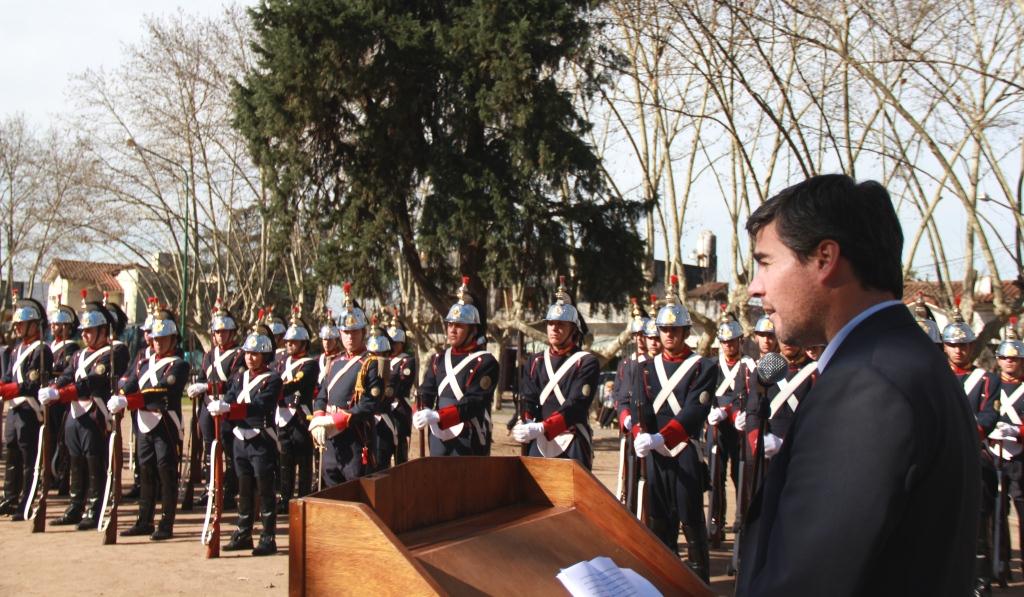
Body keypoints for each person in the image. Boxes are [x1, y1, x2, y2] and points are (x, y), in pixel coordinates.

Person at [737, 174, 979, 596]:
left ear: (825, 258)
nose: (756, 287)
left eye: (765, 262)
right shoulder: (903, 359)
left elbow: (808, 582)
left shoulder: (868, 385)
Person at [632, 274, 717, 581]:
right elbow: (639, 408)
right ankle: (661, 580)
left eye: (674, 329)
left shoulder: (704, 367)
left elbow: (696, 411)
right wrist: (639, 435)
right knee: (658, 523)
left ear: (685, 331)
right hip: (655, 454)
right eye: (664, 329)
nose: (668, 334)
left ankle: (699, 582)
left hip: (684, 451)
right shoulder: (644, 369)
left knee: (691, 521)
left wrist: (660, 437)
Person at [40, 298, 129, 529]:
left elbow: (94, 381)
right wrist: (54, 387)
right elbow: (68, 375)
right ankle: (75, 506)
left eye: (90, 331)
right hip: (75, 413)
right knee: (76, 460)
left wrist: (62, 393)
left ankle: (94, 508)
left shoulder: (114, 351)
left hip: (96, 413)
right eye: (84, 331)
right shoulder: (79, 355)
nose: (86, 335)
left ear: (102, 330)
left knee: (94, 462)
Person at [107, 306, 190, 540]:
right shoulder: (143, 362)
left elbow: (161, 390)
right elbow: (131, 382)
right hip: (143, 423)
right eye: (155, 339)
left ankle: (166, 523)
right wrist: (119, 394)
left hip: (165, 423)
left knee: (166, 471)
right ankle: (144, 520)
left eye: (163, 339)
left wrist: (129, 400)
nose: (158, 343)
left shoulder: (179, 365)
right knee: (145, 471)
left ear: (173, 339)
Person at [208, 325, 283, 555]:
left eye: (255, 354)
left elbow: (261, 406)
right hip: (241, 440)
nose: (250, 358)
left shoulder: (272, 380)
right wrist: (220, 406)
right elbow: (230, 397)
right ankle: (243, 532)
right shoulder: (239, 378)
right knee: (244, 487)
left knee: (265, 489)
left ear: (265, 356)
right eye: (248, 353)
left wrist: (229, 408)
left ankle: (268, 536)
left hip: (261, 440)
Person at [513, 277, 600, 469]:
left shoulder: (586, 362)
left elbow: (576, 405)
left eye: (561, 324)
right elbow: (529, 399)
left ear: (573, 330)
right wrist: (525, 421)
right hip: (539, 439)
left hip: (572, 438)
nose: (554, 328)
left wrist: (544, 427)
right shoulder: (536, 361)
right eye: (551, 323)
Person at [307, 283, 384, 484]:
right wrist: (318, 419)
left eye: (355, 332)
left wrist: (334, 421)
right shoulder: (334, 362)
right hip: (331, 442)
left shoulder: (370, 362)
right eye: (346, 332)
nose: (350, 337)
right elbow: (322, 395)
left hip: (356, 439)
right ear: (340, 333)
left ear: (363, 332)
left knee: (357, 494)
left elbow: (369, 405)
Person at [414, 276, 499, 456]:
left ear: (473, 329)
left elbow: (475, 402)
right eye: (450, 324)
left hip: (468, 435)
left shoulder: (486, 362)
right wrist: (422, 408)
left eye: (459, 325)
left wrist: (439, 416)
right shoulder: (439, 358)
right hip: (438, 435)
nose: (452, 330)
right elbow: (426, 389)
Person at [187, 299, 245, 509]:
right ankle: (210, 487)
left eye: (224, 331)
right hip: (207, 408)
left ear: (232, 333)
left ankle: (228, 490)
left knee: (228, 451)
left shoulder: (239, 355)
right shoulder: (209, 355)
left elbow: (234, 383)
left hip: (226, 407)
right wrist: (198, 387)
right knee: (209, 449)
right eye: (217, 332)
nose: (220, 335)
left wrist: (209, 387)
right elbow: (203, 376)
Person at [0, 292, 54, 520]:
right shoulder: (16, 350)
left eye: (23, 324)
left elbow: (31, 383)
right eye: (18, 324)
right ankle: (10, 498)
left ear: (35, 325)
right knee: (12, 453)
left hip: (29, 410)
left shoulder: (42, 350)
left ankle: (27, 501)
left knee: (28, 459)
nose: (19, 328)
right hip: (14, 409)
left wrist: (5, 389)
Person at [705, 308, 755, 544]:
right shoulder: (713, 366)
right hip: (716, 428)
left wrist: (730, 411)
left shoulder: (748, 365)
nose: (728, 346)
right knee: (715, 475)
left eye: (731, 342)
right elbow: (704, 395)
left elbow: (748, 394)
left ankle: (741, 518)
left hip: (738, 428)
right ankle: (716, 521)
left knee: (740, 474)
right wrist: (710, 412)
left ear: (739, 341)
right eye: (724, 342)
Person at [988, 319, 1024, 585]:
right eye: (1004, 358)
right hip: (993, 456)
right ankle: (1000, 568)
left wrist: (1018, 432)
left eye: (1015, 358)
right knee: (996, 516)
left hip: (1020, 457)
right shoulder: (989, 384)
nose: (1010, 362)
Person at [273, 307, 318, 511]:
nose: (289, 344)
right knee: (285, 459)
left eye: (293, 342)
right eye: (287, 341)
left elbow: (294, 383)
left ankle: (303, 496)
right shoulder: (280, 361)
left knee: (303, 459)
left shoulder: (309, 364)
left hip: (300, 415)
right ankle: (285, 497)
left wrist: (273, 389)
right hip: (282, 415)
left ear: (303, 343)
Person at [48, 297, 79, 495]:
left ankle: (62, 477)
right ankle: (50, 474)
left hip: (61, 400)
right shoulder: (50, 346)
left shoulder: (71, 348)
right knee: (49, 438)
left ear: (67, 327)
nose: (54, 326)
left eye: (59, 323)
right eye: (53, 322)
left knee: (61, 439)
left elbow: (65, 373)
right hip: (48, 398)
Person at [386, 309, 415, 465]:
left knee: (400, 454)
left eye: (396, 343)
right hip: (384, 408)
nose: (393, 346)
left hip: (399, 408)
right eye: (391, 343)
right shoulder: (384, 360)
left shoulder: (407, 361)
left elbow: (401, 382)